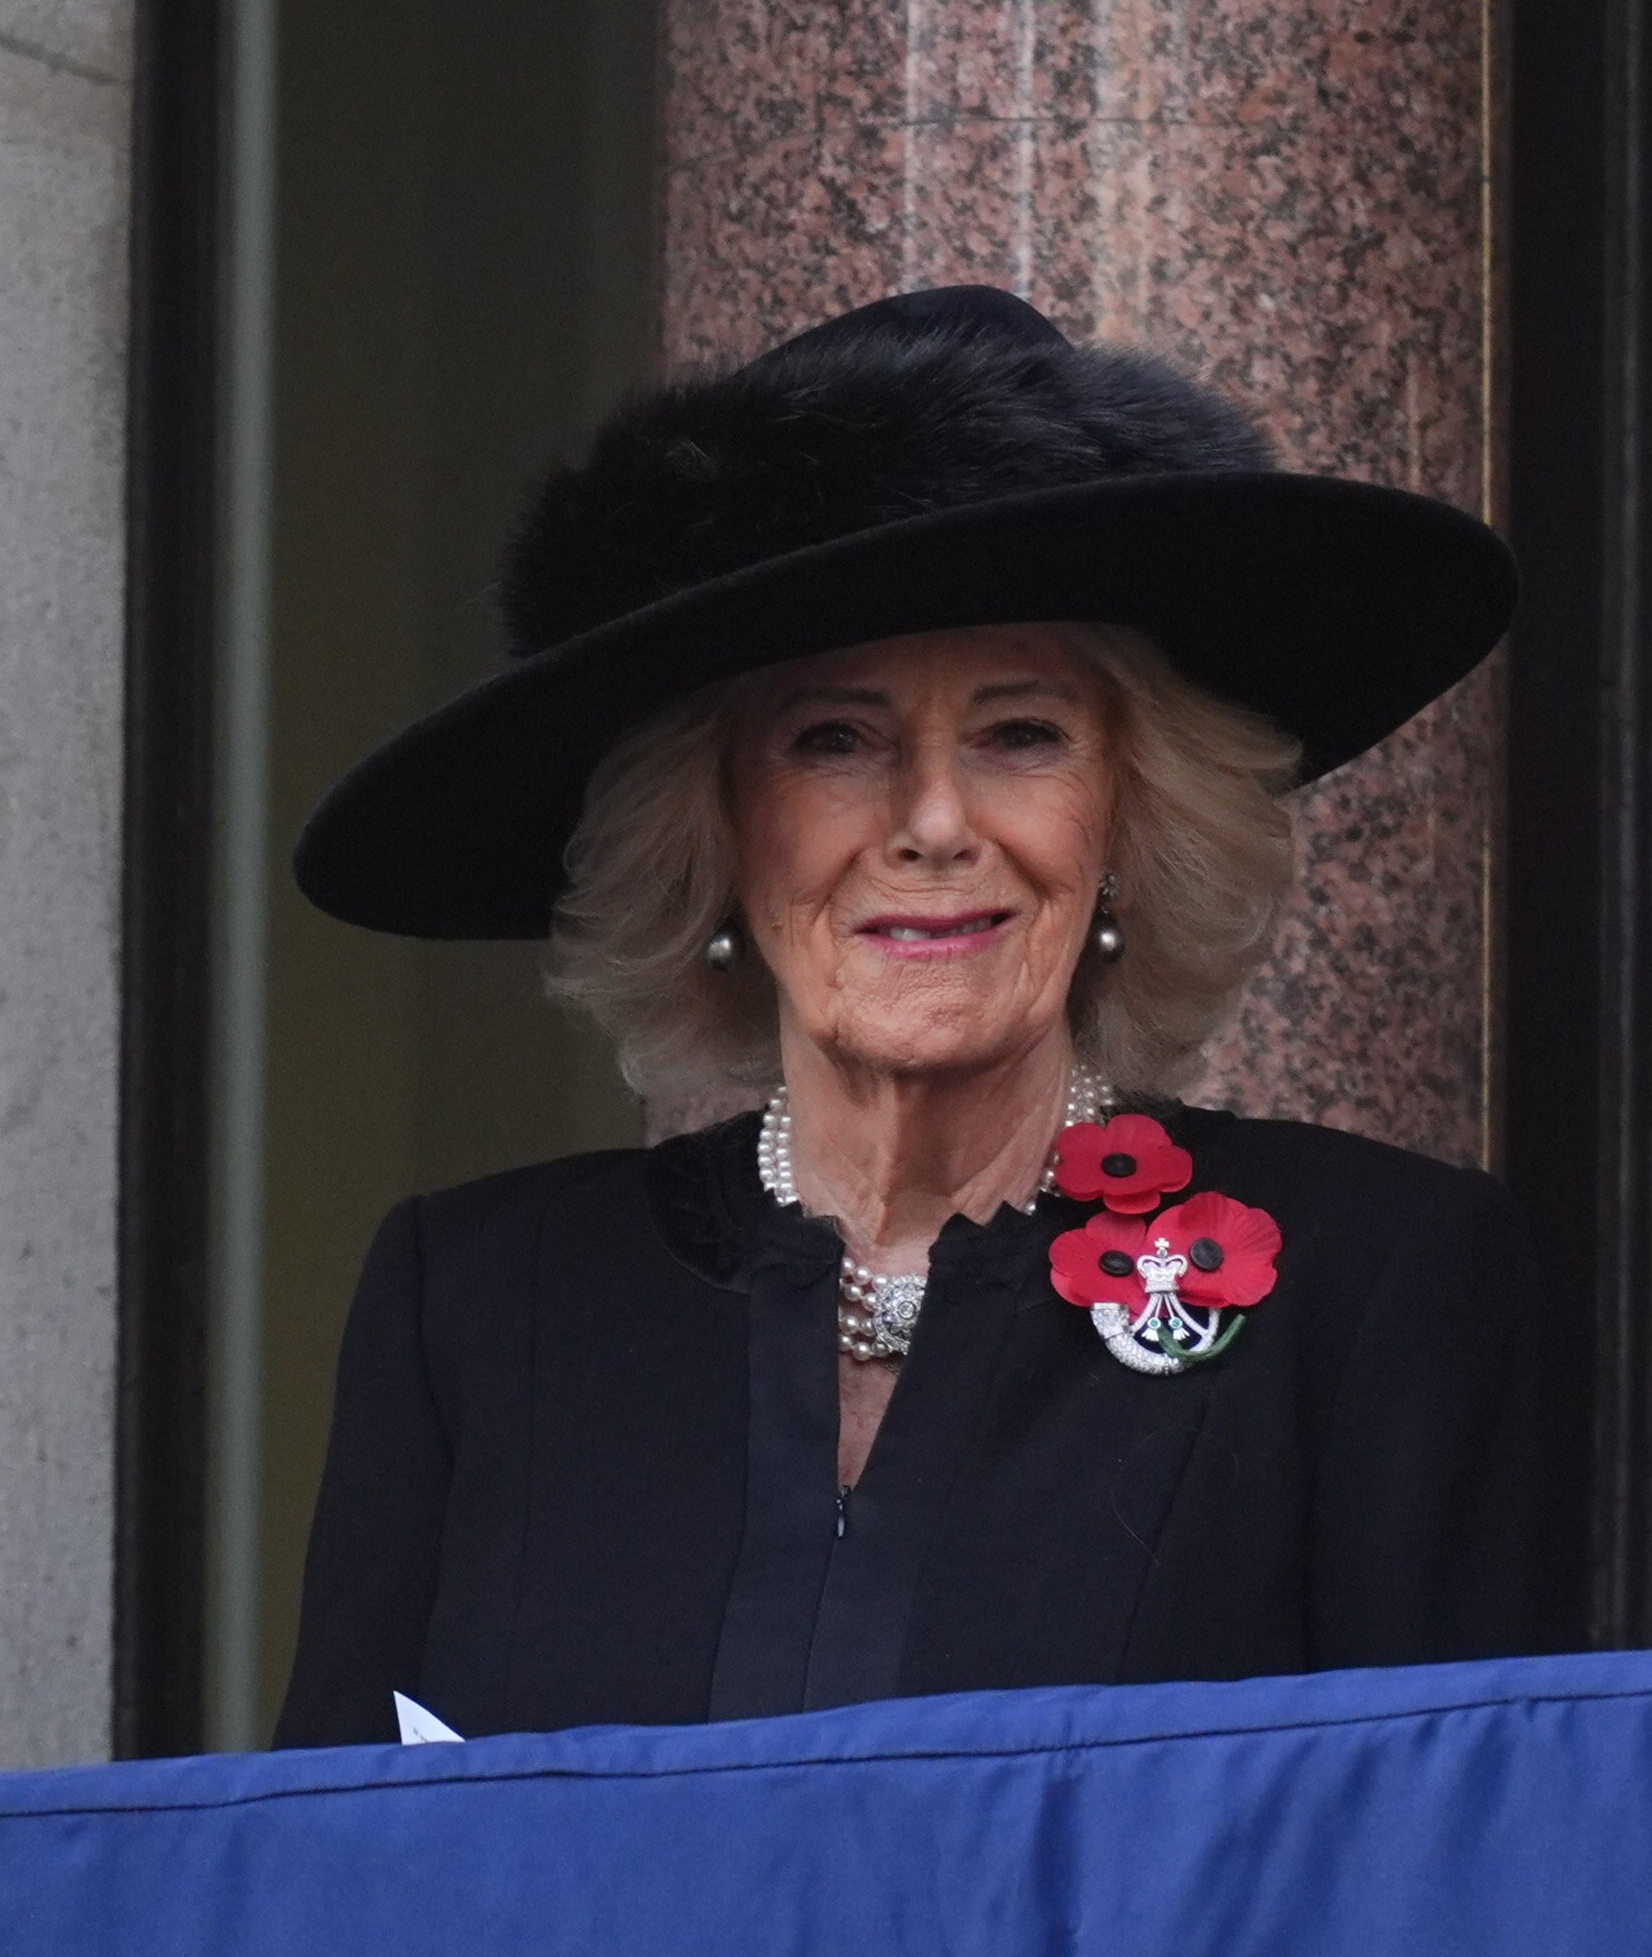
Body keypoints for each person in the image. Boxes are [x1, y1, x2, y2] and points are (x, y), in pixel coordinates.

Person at [274, 286, 1561, 1743]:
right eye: (836, 741)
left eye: (1022, 735)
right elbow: (320, 1862)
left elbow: (1461, 1862)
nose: (935, 821)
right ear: (714, 835)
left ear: (1129, 820)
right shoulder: (481, 1299)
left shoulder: (1372, 1286)